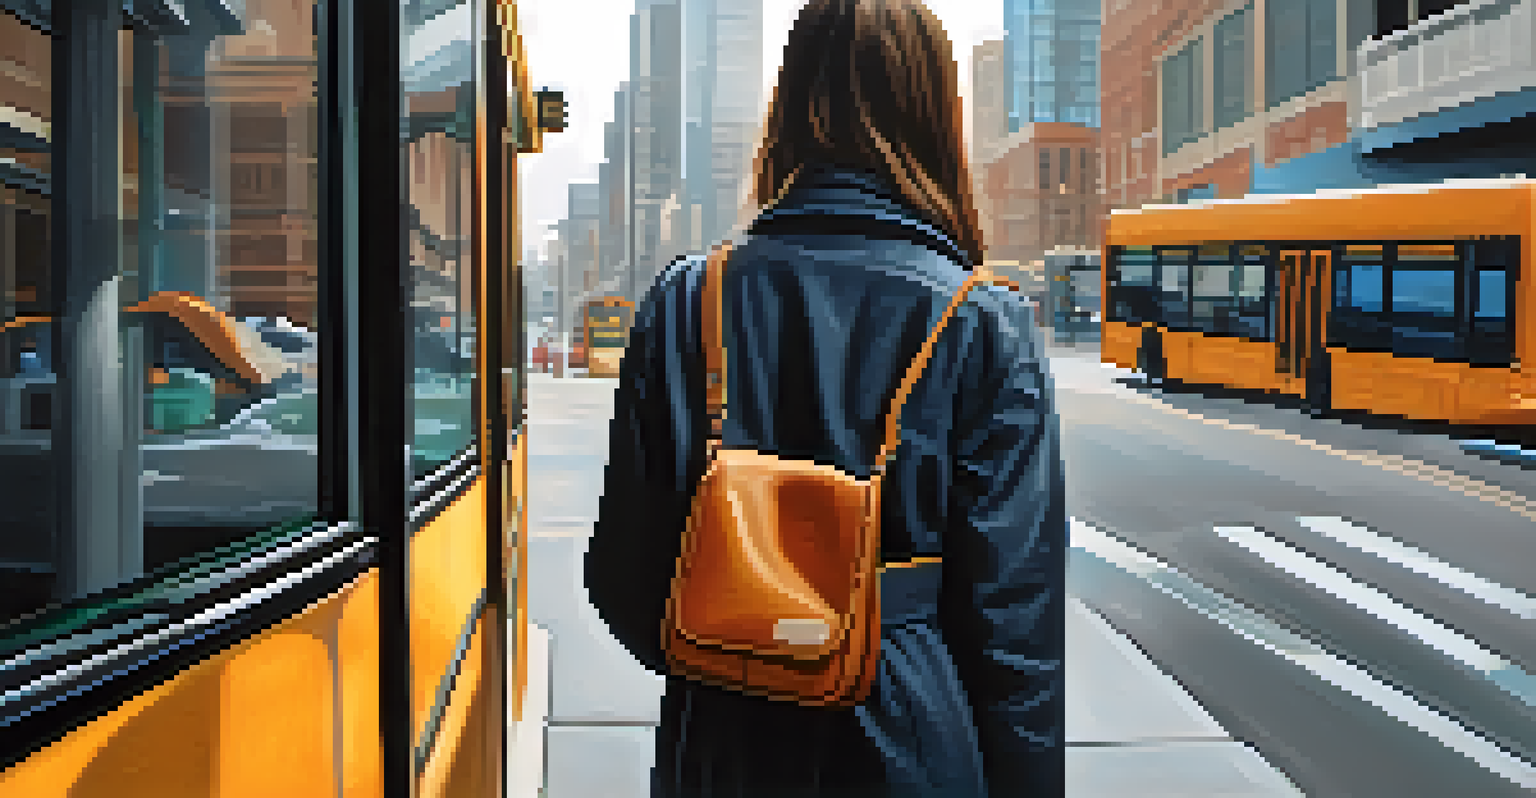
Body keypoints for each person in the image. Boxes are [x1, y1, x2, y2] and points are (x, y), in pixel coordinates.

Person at [585, 1, 1066, 795]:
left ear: (788, 108)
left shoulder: (686, 301)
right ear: (936, 118)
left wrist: (742, 644)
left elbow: (623, 577)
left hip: (723, 741)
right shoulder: (984, 321)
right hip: (912, 742)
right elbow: (1014, 629)